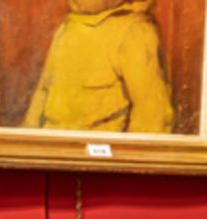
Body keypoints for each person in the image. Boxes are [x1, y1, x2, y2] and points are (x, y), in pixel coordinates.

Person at [23, 0, 177, 134]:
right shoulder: (66, 30)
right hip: (54, 150)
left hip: (100, 156)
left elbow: (152, 115)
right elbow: (42, 92)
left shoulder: (135, 32)